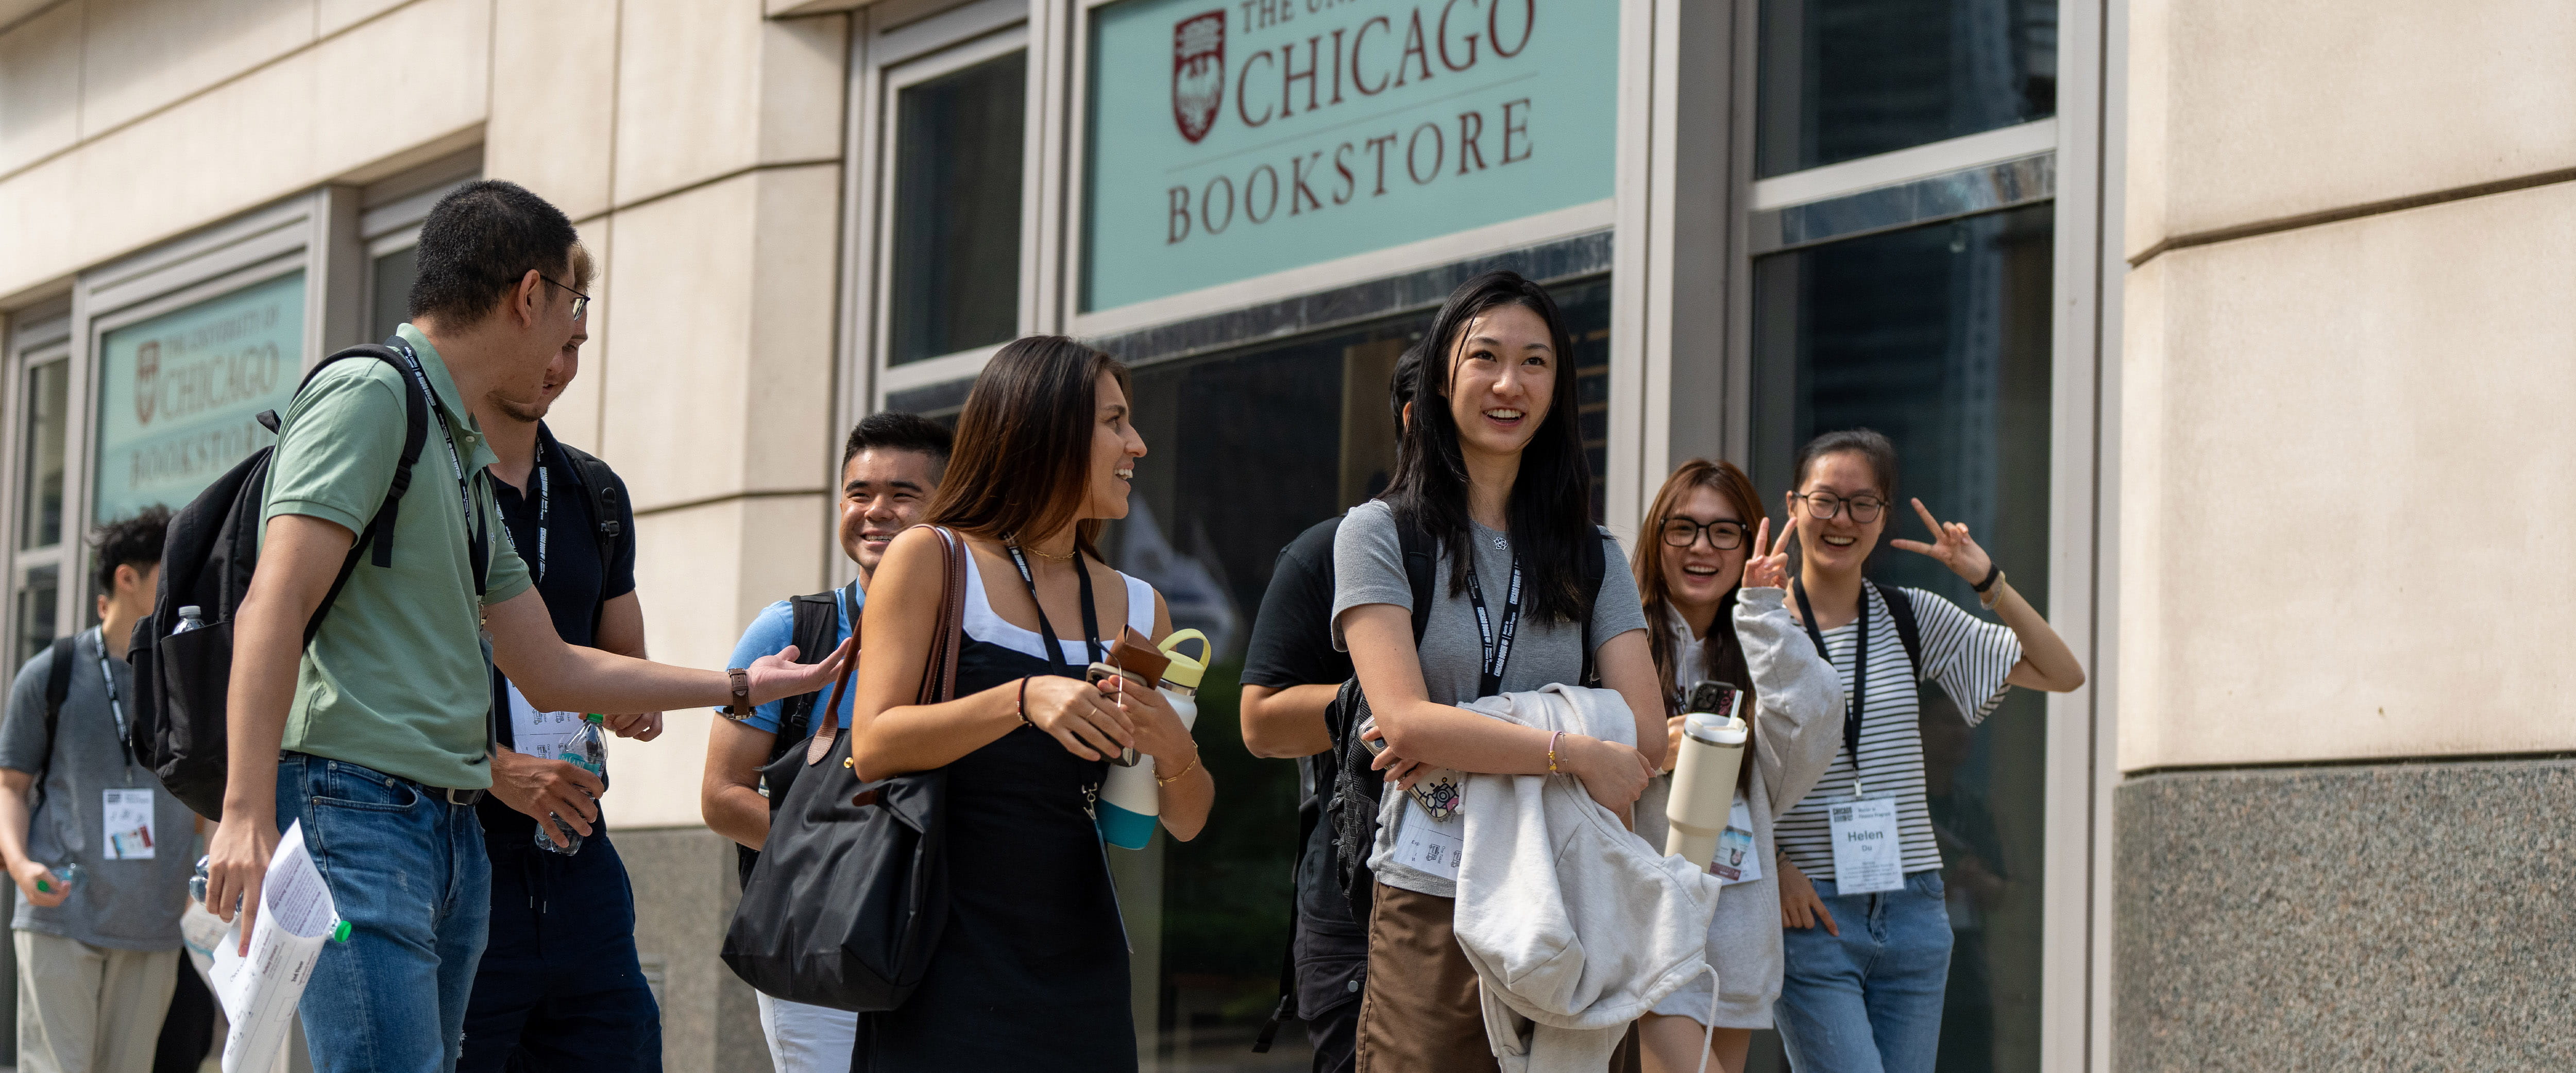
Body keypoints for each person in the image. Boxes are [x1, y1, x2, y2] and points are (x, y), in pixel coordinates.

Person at [197, 179, 848, 1073]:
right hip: (357, 806)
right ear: (529, 294)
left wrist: (741, 686)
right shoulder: (369, 395)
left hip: (451, 831)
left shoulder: (457, 451)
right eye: (571, 313)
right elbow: (272, 601)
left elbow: (549, 666)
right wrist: (242, 810)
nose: (570, 347)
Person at [844, 335, 1212, 1070]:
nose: (1136, 443)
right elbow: (874, 745)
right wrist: (1021, 696)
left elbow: (1186, 817)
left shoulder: (1141, 606)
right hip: (942, 956)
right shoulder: (933, 558)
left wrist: (1175, 750)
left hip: (1084, 969)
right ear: (1042, 429)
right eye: (1113, 421)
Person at [1332, 270, 1665, 1071]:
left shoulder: (1595, 553)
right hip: (1434, 882)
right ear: (1445, 375)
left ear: (1559, 387)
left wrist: (1466, 731)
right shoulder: (1379, 534)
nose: (1509, 383)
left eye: (1536, 362)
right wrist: (1570, 748)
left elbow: (1646, 733)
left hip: (1571, 889)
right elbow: (1406, 722)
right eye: (1485, 356)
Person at [1767, 428, 2084, 1073]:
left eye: (1863, 504)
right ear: (1794, 505)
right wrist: (1772, 864)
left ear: (1883, 519)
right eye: (1824, 499)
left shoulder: (1911, 616)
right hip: (1810, 909)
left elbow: (2062, 672)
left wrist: (1986, 579)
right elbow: (1723, 772)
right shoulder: (1757, 624)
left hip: (1912, 904)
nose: (1841, 519)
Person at [456, 244, 666, 1072]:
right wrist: (494, 769)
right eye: (550, 340)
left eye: (577, 347)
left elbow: (623, 659)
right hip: (456, 853)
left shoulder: (595, 492)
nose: (559, 365)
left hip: (578, 851)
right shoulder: (430, 479)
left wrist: (635, 702)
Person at [703, 411, 951, 1071]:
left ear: (946, 508)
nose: (876, 512)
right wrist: (848, 864)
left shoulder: (969, 640)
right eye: (859, 493)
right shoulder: (789, 629)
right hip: (814, 940)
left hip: (946, 939)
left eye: (903, 495)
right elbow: (722, 796)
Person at [1626, 460, 1841, 1073]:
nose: (1702, 547)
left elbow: (1814, 726)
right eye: (1683, 529)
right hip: (1643, 936)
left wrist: (1762, 611)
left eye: (1725, 532)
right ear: (1656, 537)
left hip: (1734, 937)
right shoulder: (1619, 637)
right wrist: (1644, 751)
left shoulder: (1760, 641)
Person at [1239, 348, 1418, 1073]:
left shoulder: (1530, 557)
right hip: (1356, 890)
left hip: (1505, 884)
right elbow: (1259, 719)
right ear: (1415, 417)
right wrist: (1390, 701)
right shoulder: (1330, 550)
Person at [0, 509, 198, 1073]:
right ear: (126, 579)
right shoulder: (51, 672)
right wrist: (19, 865)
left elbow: (209, 797)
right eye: (168, 571)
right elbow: (10, 787)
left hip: (154, 923)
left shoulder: (185, 676)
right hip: (62, 909)